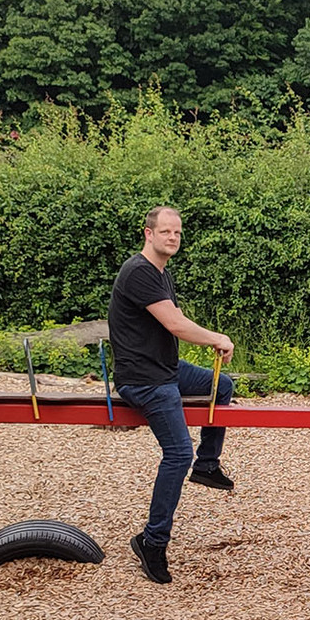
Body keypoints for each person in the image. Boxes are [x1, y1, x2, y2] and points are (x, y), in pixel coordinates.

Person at [109, 206, 236, 584]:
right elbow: (175, 324)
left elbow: (172, 322)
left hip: (164, 371)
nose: (173, 238)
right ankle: (152, 542)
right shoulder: (139, 273)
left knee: (222, 386)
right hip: (144, 379)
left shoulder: (162, 273)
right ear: (148, 233)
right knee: (177, 452)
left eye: (177, 233)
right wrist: (217, 337)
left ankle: (208, 465)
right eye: (165, 231)